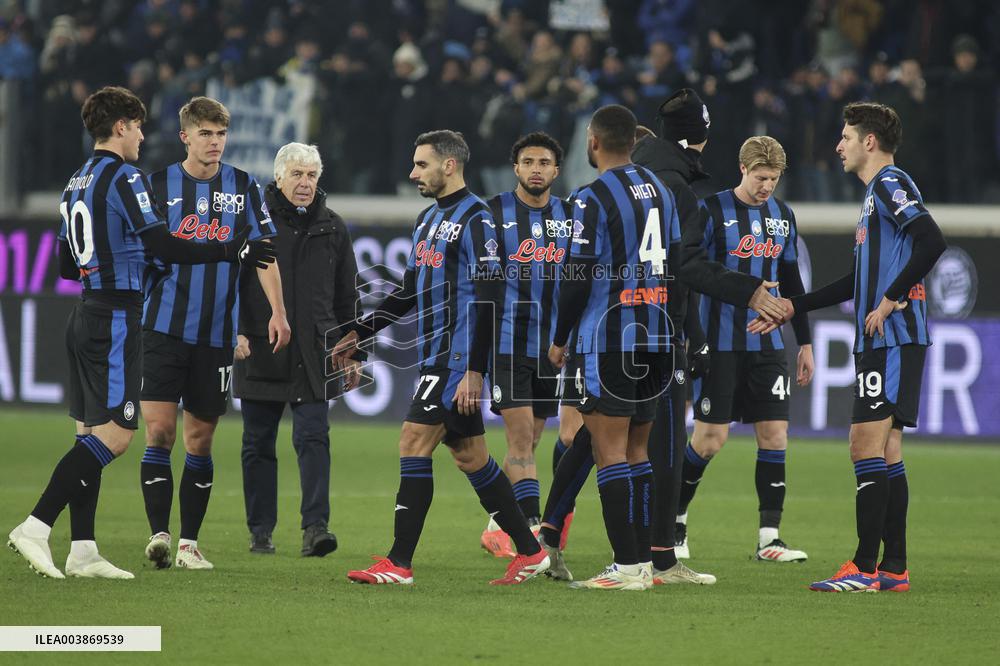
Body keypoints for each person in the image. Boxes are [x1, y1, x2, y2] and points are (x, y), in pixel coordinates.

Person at [6, 86, 275, 579]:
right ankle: (36, 525)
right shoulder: (127, 176)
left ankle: (83, 550)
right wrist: (228, 250)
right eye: (138, 127)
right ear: (122, 127)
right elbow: (164, 246)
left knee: (89, 431)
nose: (142, 137)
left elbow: (66, 264)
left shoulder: (76, 180)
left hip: (85, 310)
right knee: (117, 435)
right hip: (115, 316)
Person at [333, 130, 550, 586]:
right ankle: (531, 553)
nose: (413, 173)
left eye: (422, 165)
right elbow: (408, 291)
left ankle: (399, 563)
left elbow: (490, 297)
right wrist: (360, 333)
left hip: (457, 358)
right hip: (436, 355)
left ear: (449, 166)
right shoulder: (427, 218)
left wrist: (475, 370)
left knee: (413, 440)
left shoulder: (478, 219)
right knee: (471, 457)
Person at [749, 102, 946, 592]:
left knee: (864, 446)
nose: (839, 146)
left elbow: (931, 239)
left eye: (846, 137)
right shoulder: (875, 196)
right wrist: (794, 306)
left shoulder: (890, 184)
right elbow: (856, 280)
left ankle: (862, 567)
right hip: (886, 340)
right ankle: (893, 568)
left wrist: (891, 298)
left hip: (891, 338)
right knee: (888, 449)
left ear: (869, 142)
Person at [139, 96, 289, 571]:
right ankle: (160, 535)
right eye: (206, 133)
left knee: (199, 440)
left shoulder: (243, 186)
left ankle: (189, 544)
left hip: (215, 335)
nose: (215, 142)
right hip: (161, 329)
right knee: (159, 432)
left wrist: (278, 312)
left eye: (221, 134)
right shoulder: (156, 185)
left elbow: (264, 253)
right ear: (185, 136)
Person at [548, 104, 680, 590]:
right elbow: (674, 262)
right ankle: (642, 563)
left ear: (594, 141)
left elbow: (577, 277)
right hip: (656, 333)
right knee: (638, 449)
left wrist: (560, 338)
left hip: (608, 337)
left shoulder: (591, 197)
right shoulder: (661, 191)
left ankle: (626, 567)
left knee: (609, 452)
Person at [676, 135, 813, 564]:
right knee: (709, 440)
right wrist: (695, 338)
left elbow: (792, 281)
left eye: (773, 178)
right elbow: (692, 275)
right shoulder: (711, 211)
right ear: (743, 169)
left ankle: (769, 539)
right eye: (760, 177)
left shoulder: (783, 216)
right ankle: (674, 523)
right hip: (720, 344)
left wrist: (805, 342)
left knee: (775, 435)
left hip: (768, 346)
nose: (766, 186)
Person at [233, 142, 363, 557]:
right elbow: (231, 284)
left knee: (314, 438)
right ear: (278, 177)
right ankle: (260, 532)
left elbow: (348, 294)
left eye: (311, 175)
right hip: (263, 344)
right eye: (297, 174)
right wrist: (236, 332)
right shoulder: (253, 222)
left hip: (315, 350)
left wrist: (354, 350)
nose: (305, 183)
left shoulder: (333, 226)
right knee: (258, 442)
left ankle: (315, 529)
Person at [478, 132, 572, 577]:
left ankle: (498, 522)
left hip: (552, 349)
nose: (536, 169)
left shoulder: (571, 218)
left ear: (556, 170)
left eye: (544, 162)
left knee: (532, 441)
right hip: (507, 345)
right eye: (528, 162)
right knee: (519, 441)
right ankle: (532, 534)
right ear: (515, 168)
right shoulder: (492, 214)